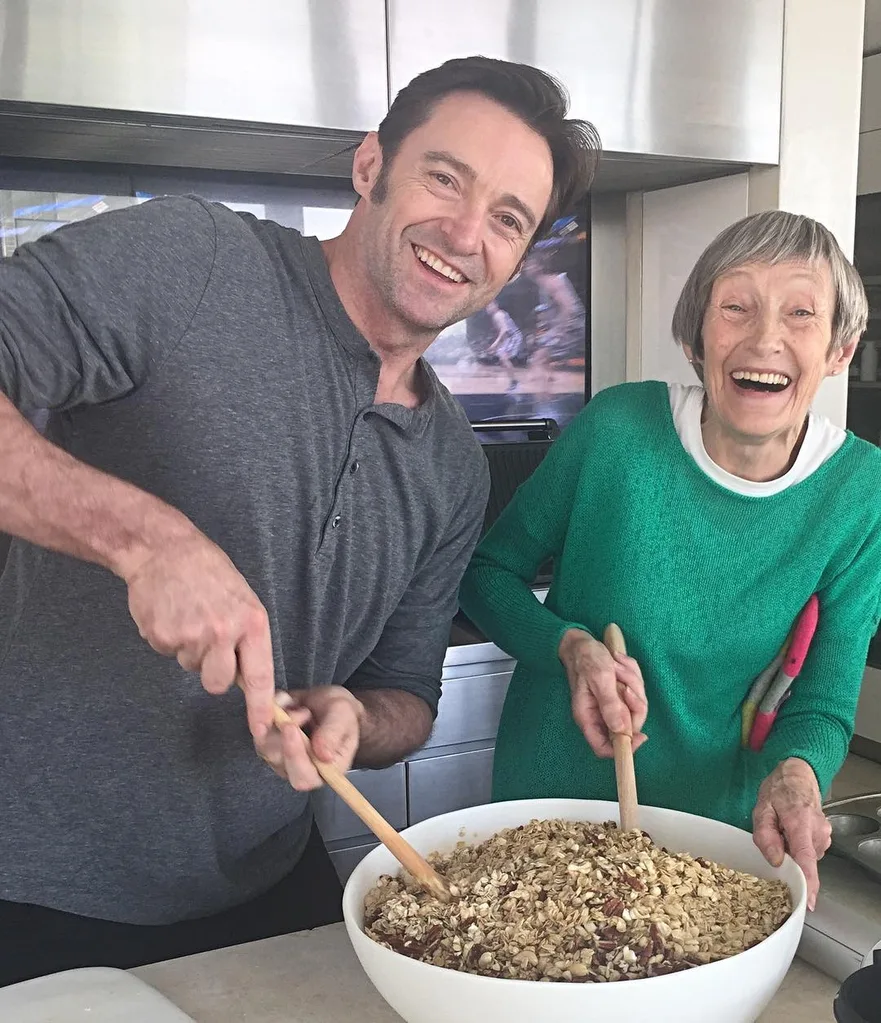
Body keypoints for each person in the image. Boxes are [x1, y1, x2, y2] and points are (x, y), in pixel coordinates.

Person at [0, 56, 600, 984]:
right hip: (34, 895)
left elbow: (409, 696)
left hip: (274, 890)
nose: (464, 230)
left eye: (508, 218)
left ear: (520, 259)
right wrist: (142, 538)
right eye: (444, 176)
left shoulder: (448, 464)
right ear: (370, 166)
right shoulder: (195, 264)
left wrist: (354, 715)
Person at [459, 210, 881, 912]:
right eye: (734, 307)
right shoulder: (616, 431)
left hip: (711, 834)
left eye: (800, 313)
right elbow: (485, 574)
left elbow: (826, 698)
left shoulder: (860, 489)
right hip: (549, 804)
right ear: (695, 335)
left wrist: (797, 777)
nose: (763, 338)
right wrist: (566, 646)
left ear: (841, 347)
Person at [486, 299, 527, 392]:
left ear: (495, 305)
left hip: (513, 336)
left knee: (503, 358)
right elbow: (504, 334)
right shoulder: (497, 315)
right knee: (502, 358)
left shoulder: (498, 315)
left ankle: (515, 383)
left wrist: (495, 344)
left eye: (489, 306)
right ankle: (514, 382)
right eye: (486, 307)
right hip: (510, 337)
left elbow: (505, 330)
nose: (487, 308)